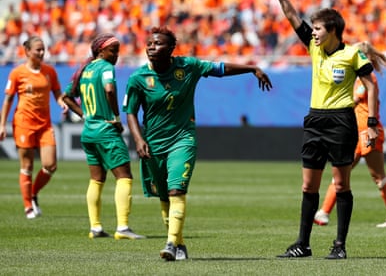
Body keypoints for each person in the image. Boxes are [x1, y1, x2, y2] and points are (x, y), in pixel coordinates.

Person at [123, 26, 272, 261]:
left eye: (158, 43)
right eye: (149, 43)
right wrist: (139, 140)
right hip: (152, 144)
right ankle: (179, 243)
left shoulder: (188, 66)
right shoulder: (138, 78)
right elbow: (130, 112)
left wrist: (252, 68)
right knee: (164, 197)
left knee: (176, 190)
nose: (152, 47)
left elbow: (220, 69)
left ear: (171, 48)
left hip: (183, 139)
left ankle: (171, 244)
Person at [265, 0, 378, 260]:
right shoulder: (314, 50)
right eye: (312, 29)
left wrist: (373, 122)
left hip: (341, 121)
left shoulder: (351, 54)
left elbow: (371, 84)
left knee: (341, 184)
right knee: (308, 185)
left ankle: (339, 245)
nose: (313, 33)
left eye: (318, 29)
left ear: (333, 31)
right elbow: (291, 16)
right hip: (315, 120)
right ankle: (303, 244)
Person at [61, 33, 145, 240]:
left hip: (89, 132)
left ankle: (95, 227)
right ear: (100, 51)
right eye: (113, 50)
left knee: (96, 180)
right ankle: (123, 228)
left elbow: (66, 97)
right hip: (106, 131)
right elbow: (109, 90)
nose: (116, 55)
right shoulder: (106, 68)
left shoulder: (85, 69)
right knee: (124, 176)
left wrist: (85, 116)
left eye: (117, 50)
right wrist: (116, 117)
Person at [314, 42, 386, 228]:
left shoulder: (365, 78)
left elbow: (353, 99)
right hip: (356, 132)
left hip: (367, 131)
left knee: (378, 176)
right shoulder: (360, 78)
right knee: (342, 171)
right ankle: (323, 212)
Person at [0, 36, 68, 219]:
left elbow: (57, 93)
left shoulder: (49, 72)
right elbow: (8, 100)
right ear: (27, 51)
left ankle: (33, 193)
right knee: (27, 165)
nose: (41, 53)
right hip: (24, 123)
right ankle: (28, 206)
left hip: (44, 124)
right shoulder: (17, 73)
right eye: (38, 49)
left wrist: (62, 103)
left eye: (43, 49)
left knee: (50, 165)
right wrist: (1, 124)